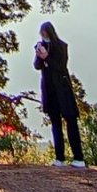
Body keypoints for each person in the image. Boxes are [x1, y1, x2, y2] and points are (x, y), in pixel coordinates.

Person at [33, 21, 85, 167]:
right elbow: (37, 66)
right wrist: (39, 55)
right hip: (50, 90)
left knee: (71, 121)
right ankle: (59, 158)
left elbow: (61, 67)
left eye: (45, 33)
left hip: (63, 89)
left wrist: (47, 57)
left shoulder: (62, 46)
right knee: (55, 123)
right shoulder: (40, 45)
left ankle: (78, 158)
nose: (43, 36)